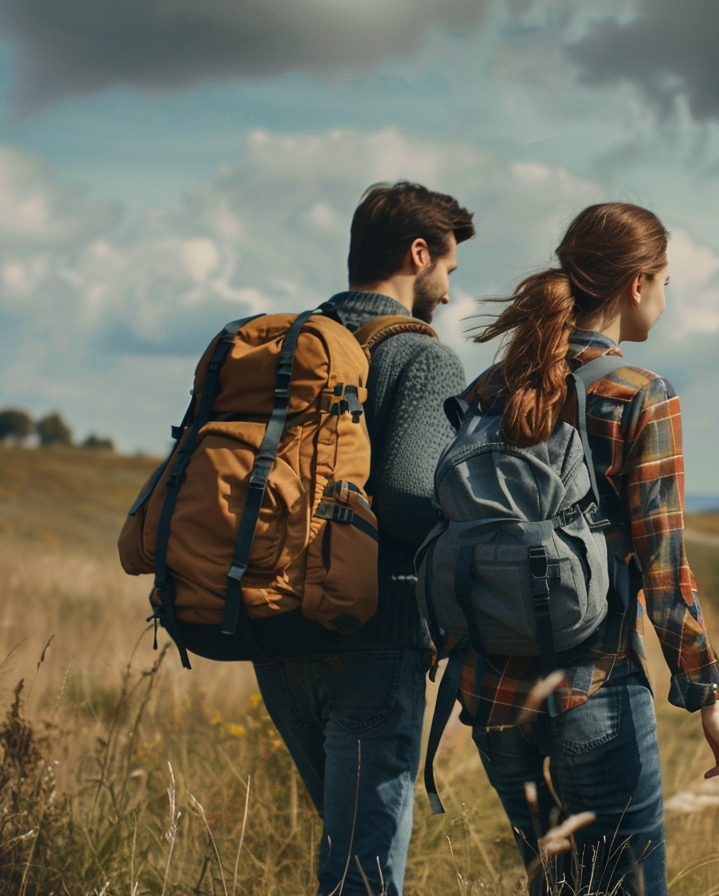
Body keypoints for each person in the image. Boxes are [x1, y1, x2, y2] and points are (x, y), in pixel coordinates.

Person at [456, 202, 719, 895]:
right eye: (667, 281)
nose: (667, 301)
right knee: (626, 886)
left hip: (488, 691)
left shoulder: (489, 389)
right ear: (636, 283)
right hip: (593, 683)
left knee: (551, 882)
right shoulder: (641, 395)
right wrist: (706, 697)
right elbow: (664, 567)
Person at [252, 181, 474, 896]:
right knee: (363, 871)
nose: (446, 288)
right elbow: (411, 503)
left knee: (345, 851)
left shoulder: (288, 345)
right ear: (418, 254)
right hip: (374, 638)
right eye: (448, 268)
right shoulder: (421, 358)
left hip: (273, 631)